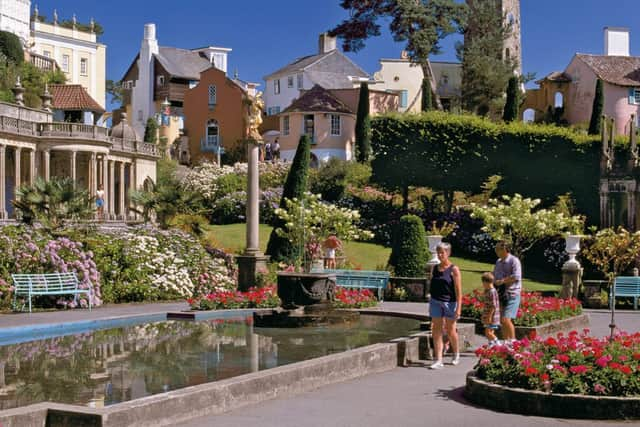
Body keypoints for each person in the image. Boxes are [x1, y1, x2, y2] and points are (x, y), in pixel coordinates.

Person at [429, 242, 462, 369]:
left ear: (448, 253)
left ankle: (456, 353)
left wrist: (459, 308)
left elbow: (458, 291)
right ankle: (438, 360)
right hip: (435, 301)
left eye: (442, 252)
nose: (440, 255)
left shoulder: (454, 269)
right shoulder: (435, 268)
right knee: (436, 330)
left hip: (450, 303)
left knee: (450, 330)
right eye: (438, 252)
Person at [493, 241, 522, 342]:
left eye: (497, 248)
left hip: (512, 294)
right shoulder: (498, 262)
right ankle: (506, 342)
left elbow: (516, 276)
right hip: (501, 293)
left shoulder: (514, 261)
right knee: (502, 320)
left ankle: (513, 342)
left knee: (506, 319)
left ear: (504, 249)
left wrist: (502, 281)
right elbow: (495, 276)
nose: (496, 250)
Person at [480, 272, 501, 345]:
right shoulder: (488, 291)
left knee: (488, 333)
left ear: (486, 282)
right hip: (489, 315)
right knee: (490, 332)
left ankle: (498, 344)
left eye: (483, 283)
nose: (483, 285)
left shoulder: (492, 292)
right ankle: (491, 345)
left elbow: (493, 306)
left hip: (492, 316)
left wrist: (489, 316)